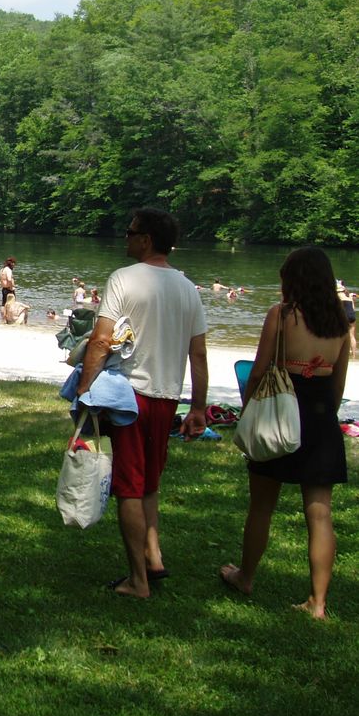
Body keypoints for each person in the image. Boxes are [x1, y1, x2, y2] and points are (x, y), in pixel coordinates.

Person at [76, 208, 208, 599]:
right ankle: (153, 557)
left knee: (129, 488)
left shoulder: (123, 279)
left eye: (130, 232)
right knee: (149, 482)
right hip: (167, 398)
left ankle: (138, 581)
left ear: (146, 239)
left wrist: (84, 391)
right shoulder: (187, 288)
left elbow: (100, 341)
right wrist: (198, 407)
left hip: (129, 395)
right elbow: (197, 354)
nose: (126, 238)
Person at [220, 248, 350, 619]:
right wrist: (325, 416)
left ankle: (245, 577)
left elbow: (260, 370)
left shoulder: (282, 315)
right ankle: (319, 603)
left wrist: (247, 411)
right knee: (320, 512)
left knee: (262, 504)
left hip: (280, 410)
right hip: (320, 415)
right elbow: (337, 385)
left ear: (291, 279)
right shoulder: (341, 322)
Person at [337, 280, 356, 356]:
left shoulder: (338, 296)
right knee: (352, 336)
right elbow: (353, 308)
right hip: (352, 316)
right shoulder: (349, 296)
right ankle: (354, 356)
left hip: (345, 316)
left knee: (340, 335)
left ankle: (342, 353)